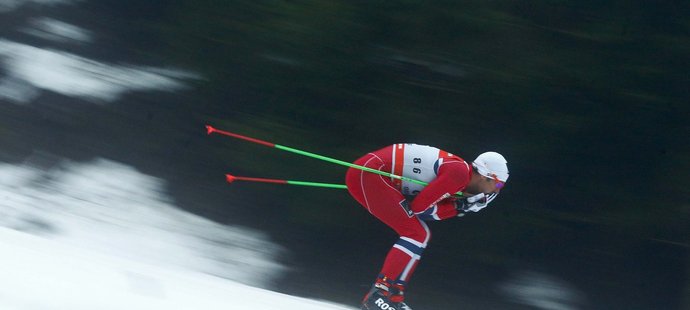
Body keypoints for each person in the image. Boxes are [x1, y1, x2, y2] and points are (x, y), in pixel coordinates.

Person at [345, 143, 509, 310]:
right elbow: (419, 209)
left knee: (421, 234)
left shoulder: (460, 180)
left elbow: (424, 212)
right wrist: (458, 207)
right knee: (415, 234)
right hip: (369, 173)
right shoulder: (459, 174)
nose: (496, 192)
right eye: (498, 185)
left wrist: (459, 207)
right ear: (485, 176)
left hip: (371, 173)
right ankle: (377, 294)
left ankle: (394, 296)